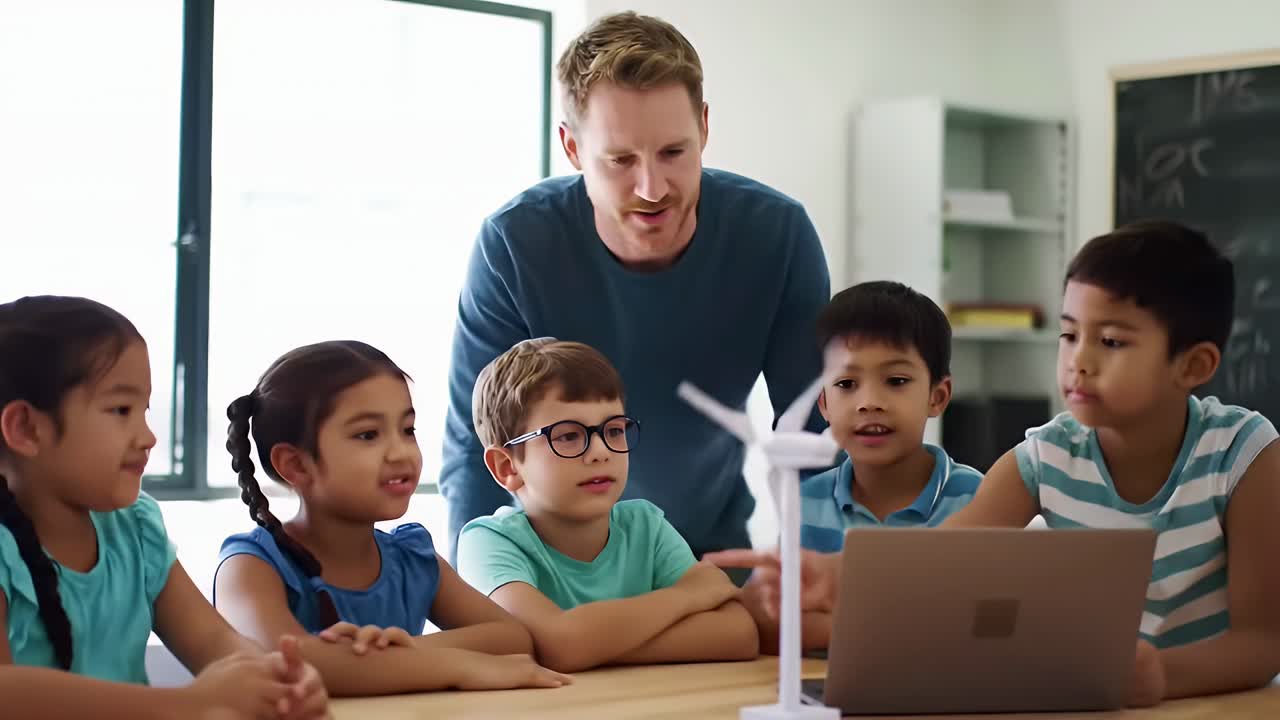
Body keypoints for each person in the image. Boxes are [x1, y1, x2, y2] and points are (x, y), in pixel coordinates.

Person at [714, 221, 1280, 707]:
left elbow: (1261, 642)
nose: (1077, 362)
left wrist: (1163, 676)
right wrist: (834, 577)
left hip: (1213, 705)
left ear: (1194, 364)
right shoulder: (1045, 455)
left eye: (1110, 342)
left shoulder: (1244, 454)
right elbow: (942, 560)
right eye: (1068, 334)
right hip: (1100, 702)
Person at [440, 10, 831, 563]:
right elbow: (476, 447)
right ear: (572, 149)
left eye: (674, 153)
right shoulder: (515, 245)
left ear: (705, 128)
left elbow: (818, 430)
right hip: (553, 570)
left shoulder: (777, 236)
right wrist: (479, 597)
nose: (652, 188)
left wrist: (817, 578)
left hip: (705, 556)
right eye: (620, 160)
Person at [0, 295, 328, 719]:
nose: (148, 436)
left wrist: (275, 681)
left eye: (144, 410)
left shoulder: (135, 528)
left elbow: (214, 643)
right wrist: (188, 704)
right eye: (121, 409)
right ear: (26, 428)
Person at [213, 341, 571, 695]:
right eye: (367, 435)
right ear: (295, 465)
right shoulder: (250, 566)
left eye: (407, 430)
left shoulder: (411, 557)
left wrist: (401, 653)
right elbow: (284, 660)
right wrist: (457, 664)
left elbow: (512, 639)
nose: (401, 452)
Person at [456, 338, 758, 672]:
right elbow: (561, 645)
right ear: (507, 467)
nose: (601, 451)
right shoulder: (487, 542)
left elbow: (739, 634)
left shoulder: (647, 525)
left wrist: (588, 645)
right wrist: (686, 597)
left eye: (614, 430)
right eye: (568, 435)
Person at [729, 281, 982, 653]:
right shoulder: (807, 501)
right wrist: (903, 625)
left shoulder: (975, 498)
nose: (869, 402)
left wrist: (837, 621)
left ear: (937, 396)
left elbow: (977, 622)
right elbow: (774, 621)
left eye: (896, 381)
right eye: (847, 383)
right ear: (824, 404)